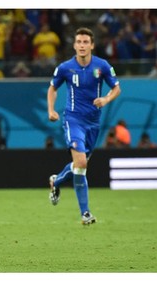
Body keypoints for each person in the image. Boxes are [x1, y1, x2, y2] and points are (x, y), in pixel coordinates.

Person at [46, 27, 121, 225]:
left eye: (85, 42)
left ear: (92, 45)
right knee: (81, 164)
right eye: (79, 42)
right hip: (73, 120)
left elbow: (116, 88)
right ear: (74, 45)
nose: (82, 45)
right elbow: (52, 88)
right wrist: (51, 110)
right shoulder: (65, 67)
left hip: (93, 123)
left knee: (80, 167)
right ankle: (85, 213)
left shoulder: (102, 66)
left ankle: (57, 180)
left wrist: (105, 99)